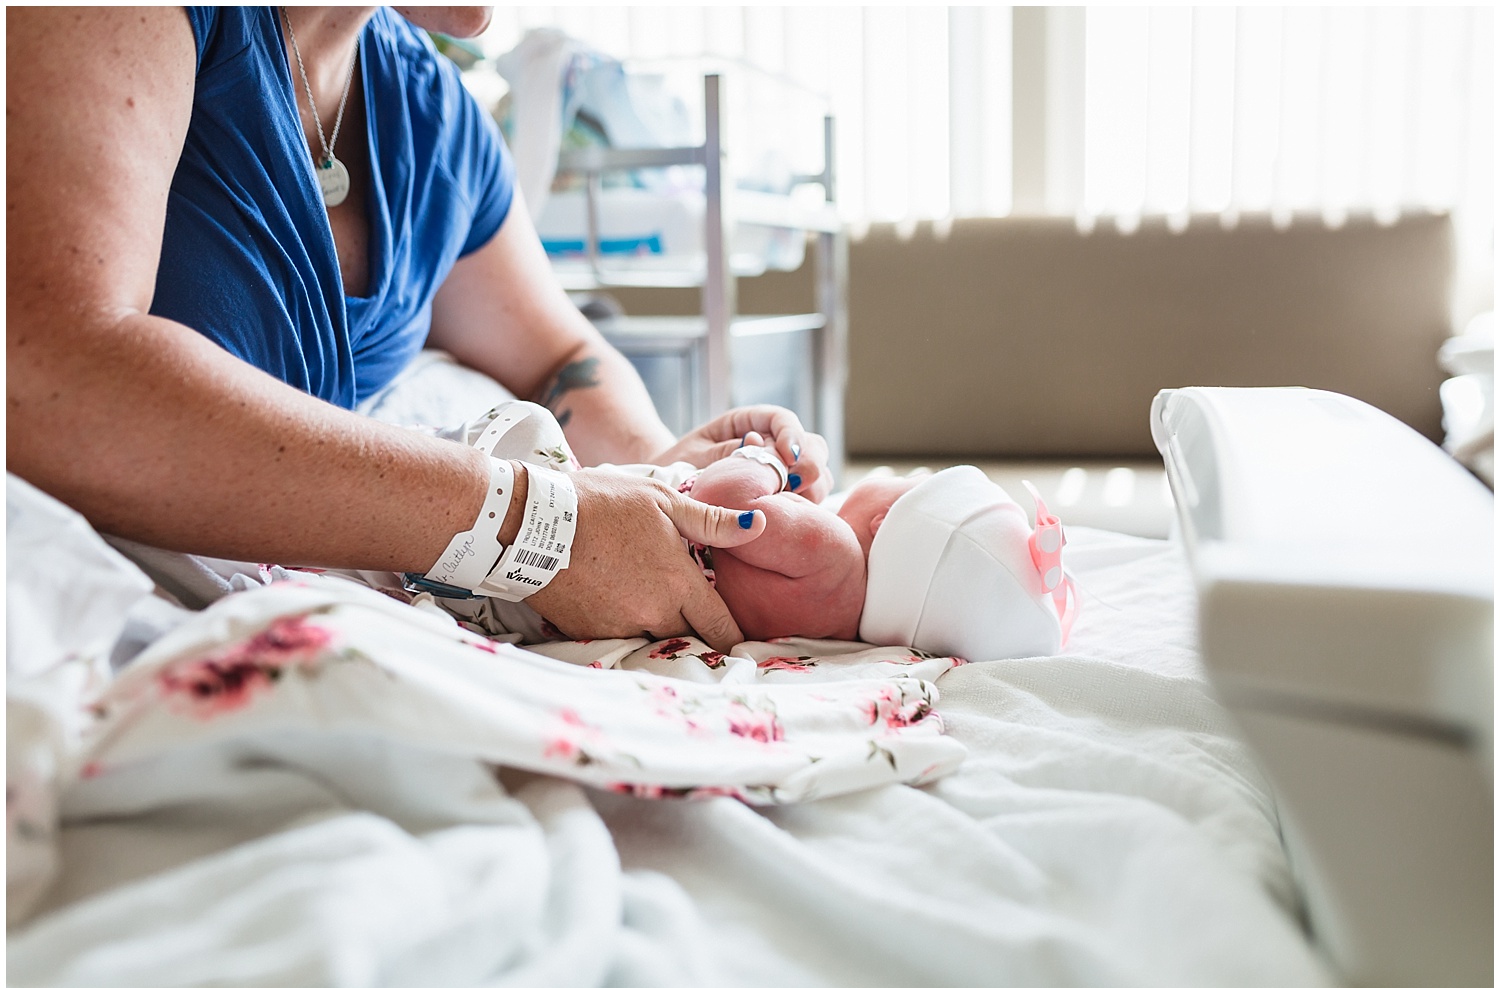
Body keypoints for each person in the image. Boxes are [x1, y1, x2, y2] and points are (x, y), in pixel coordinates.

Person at [5, 6, 831, 653]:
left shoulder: (435, 118)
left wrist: (662, 471)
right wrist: (537, 526)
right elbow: (44, 373)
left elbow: (560, 355)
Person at [402, 402, 1073, 662]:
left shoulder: (835, 551)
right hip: (572, 594)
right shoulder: (839, 620)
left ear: (885, 521)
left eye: (909, 483)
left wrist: (763, 460)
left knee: (513, 456)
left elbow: (730, 512)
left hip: (556, 542)